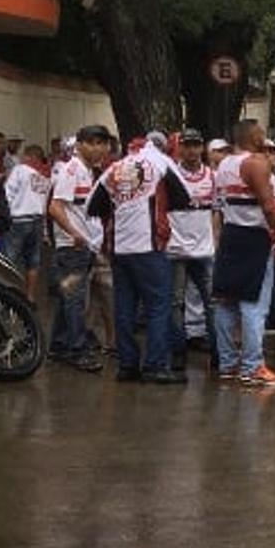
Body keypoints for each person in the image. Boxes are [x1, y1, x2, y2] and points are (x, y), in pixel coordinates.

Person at [86, 137, 194, 384]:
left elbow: (93, 205)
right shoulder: (159, 161)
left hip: (119, 248)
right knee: (158, 306)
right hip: (149, 245)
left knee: (124, 307)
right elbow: (185, 196)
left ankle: (128, 366)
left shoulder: (115, 168)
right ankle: (156, 365)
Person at [212, 119, 275, 387]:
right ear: (252, 136)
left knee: (226, 302)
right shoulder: (255, 164)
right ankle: (252, 366)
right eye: (261, 132)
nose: (264, 136)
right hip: (254, 236)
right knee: (254, 306)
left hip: (231, 233)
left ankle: (227, 363)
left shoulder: (224, 164)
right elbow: (269, 207)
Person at [46, 126, 111, 372]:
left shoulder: (87, 171)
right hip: (72, 249)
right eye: (93, 143)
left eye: (103, 144)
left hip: (82, 247)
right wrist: (74, 233)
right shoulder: (72, 170)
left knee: (67, 299)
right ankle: (77, 349)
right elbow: (55, 207)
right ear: (80, 144)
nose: (99, 149)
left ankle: (59, 345)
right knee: (74, 301)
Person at [166, 130, 218, 368]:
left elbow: (216, 210)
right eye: (187, 145)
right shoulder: (169, 174)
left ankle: (219, 353)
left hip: (204, 250)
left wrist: (215, 240)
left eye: (196, 145)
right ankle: (178, 352)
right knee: (176, 303)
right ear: (179, 148)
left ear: (202, 148)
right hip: (175, 249)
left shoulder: (212, 176)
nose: (191, 150)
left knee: (212, 301)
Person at [2, 142, 53, 307]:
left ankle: (8, 295)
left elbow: (8, 192)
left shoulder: (20, 170)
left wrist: (4, 215)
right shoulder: (45, 178)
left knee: (9, 260)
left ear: (30, 157)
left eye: (25, 156)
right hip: (37, 221)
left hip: (18, 220)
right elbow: (45, 204)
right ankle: (30, 297)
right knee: (33, 261)